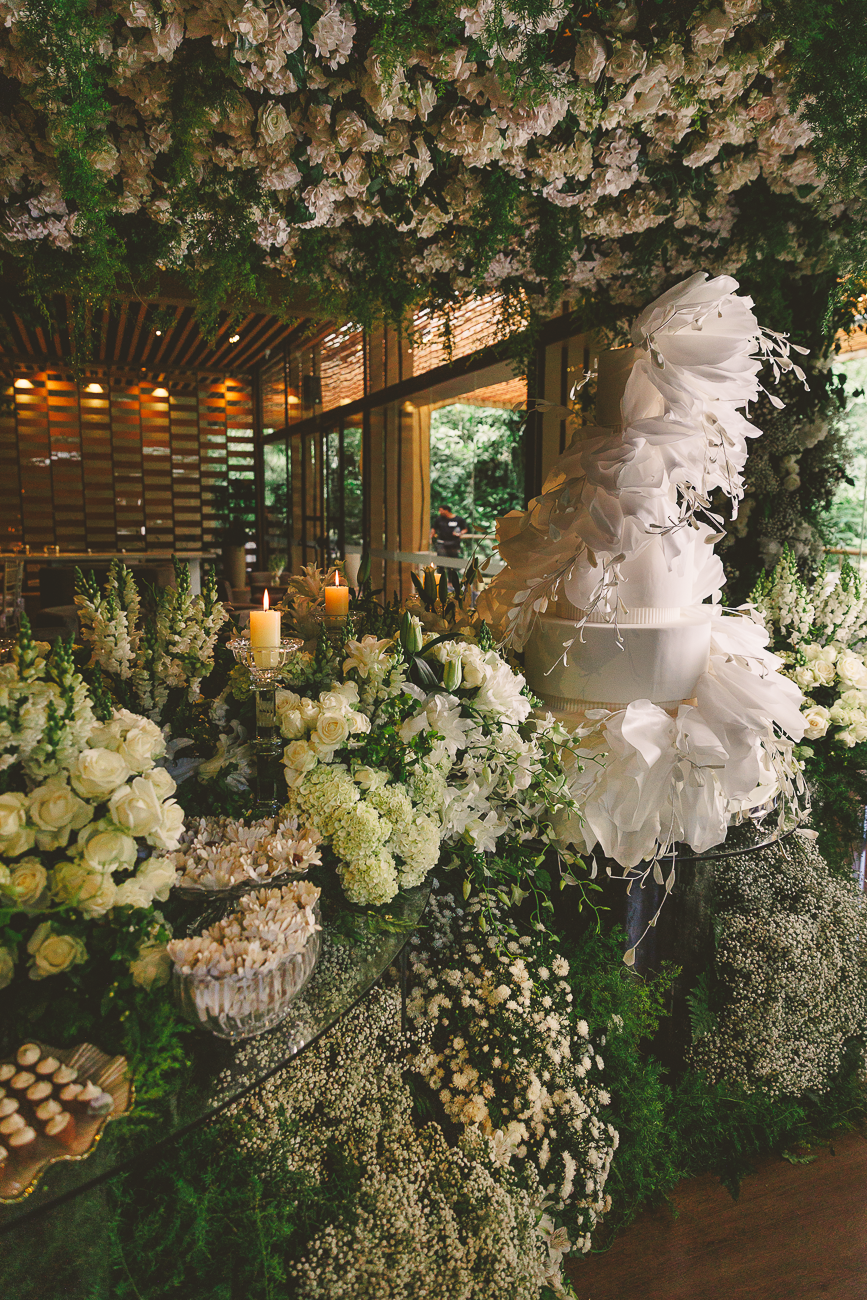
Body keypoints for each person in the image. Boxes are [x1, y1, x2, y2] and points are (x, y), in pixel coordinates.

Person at [431, 505, 469, 589]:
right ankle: (440, 581)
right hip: (441, 543)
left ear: (447, 510)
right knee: (441, 562)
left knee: (452, 564)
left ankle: (451, 582)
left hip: (453, 543)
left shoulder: (458, 519)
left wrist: (460, 533)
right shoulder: (439, 519)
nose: (440, 512)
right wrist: (431, 537)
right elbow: (434, 529)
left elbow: (465, 529)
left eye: (441, 510)